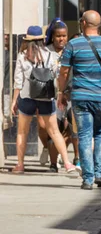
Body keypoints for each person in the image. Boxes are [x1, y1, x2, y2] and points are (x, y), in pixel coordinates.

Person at [57, 10, 101, 190]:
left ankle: (88, 179)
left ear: (83, 23)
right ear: (99, 25)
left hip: (81, 97)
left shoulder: (73, 44)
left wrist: (61, 91)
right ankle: (100, 175)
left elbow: (64, 71)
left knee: (84, 136)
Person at [11, 26, 77, 174]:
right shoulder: (50, 55)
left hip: (27, 96)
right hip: (46, 97)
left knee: (22, 131)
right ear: (42, 39)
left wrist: (14, 101)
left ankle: (20, 165)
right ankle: (67, 163)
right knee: (54, 131)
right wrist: (59, 93)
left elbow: (18, 81)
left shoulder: (22, 56)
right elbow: (57, 75)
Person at [39, 18, 80, 171]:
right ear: (53, 36)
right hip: (51, 96)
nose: (61, 39)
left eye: (64, 36)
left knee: (74, 128)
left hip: (70, 95)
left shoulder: (72, 50)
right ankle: (53, 163)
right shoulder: (46, 51)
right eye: (58, 36)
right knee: (52, 130)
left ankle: (77, 158)